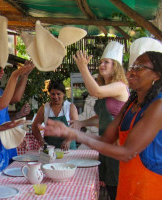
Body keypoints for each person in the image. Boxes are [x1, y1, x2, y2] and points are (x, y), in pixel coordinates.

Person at [42, 49, 162, 199]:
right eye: (132, 67)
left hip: (150, 185)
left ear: (157, 75)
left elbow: (127, 152)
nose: (131, 73)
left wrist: (75, 134)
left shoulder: (158, 106)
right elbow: (106, 140)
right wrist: (73, 132)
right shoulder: (131, 103)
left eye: (139, 67)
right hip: (128, 181)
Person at [70, 41, 129, 200]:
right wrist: (82, 123)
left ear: (115, 66)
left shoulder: (120, 86)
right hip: (105, 147)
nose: (102, 65)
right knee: (110, 189)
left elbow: (95, 91)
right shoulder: (108, 89)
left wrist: (83, 68)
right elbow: (102, 117)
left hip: (117, 147)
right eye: (101, 62)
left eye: (106, 62)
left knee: (117, 189)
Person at [32, 80, 78, 150]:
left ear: (64, 94)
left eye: (58, 94)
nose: (56, 97)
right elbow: (35, 127)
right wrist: (41, 141)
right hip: (50, 149)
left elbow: (76, 127)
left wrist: (67, 141)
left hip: (69, 148)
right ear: (49, 94)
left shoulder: (70, 107)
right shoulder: (44, 108)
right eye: (53, 94)